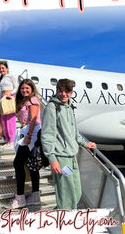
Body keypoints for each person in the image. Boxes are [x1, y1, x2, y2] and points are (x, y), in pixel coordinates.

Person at [41, 78, 97, 210]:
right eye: (61, 91)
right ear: (57, 91)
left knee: (76, 192)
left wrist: (85, 143)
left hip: (72, 156)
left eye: (67, 91)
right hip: (61, 157)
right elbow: (47, 134)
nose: (63, 94)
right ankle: (65, 222)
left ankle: (60, 213)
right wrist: (52, 159)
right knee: (67, 194)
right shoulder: (52, 107)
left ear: (71, 93)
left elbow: (74, 131)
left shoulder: (69, 106)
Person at [10, 79, 41, 208]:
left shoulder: (33, 100)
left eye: (27, 88)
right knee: (31, 164)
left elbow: (33, 119)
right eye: (22, 88)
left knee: (18, 163)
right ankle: (34, 195)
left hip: (32, 132)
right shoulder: (25, 101)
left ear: (32, 89)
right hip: (28, 131)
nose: (24, 90)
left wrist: (28, 136)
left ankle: (20, 197)